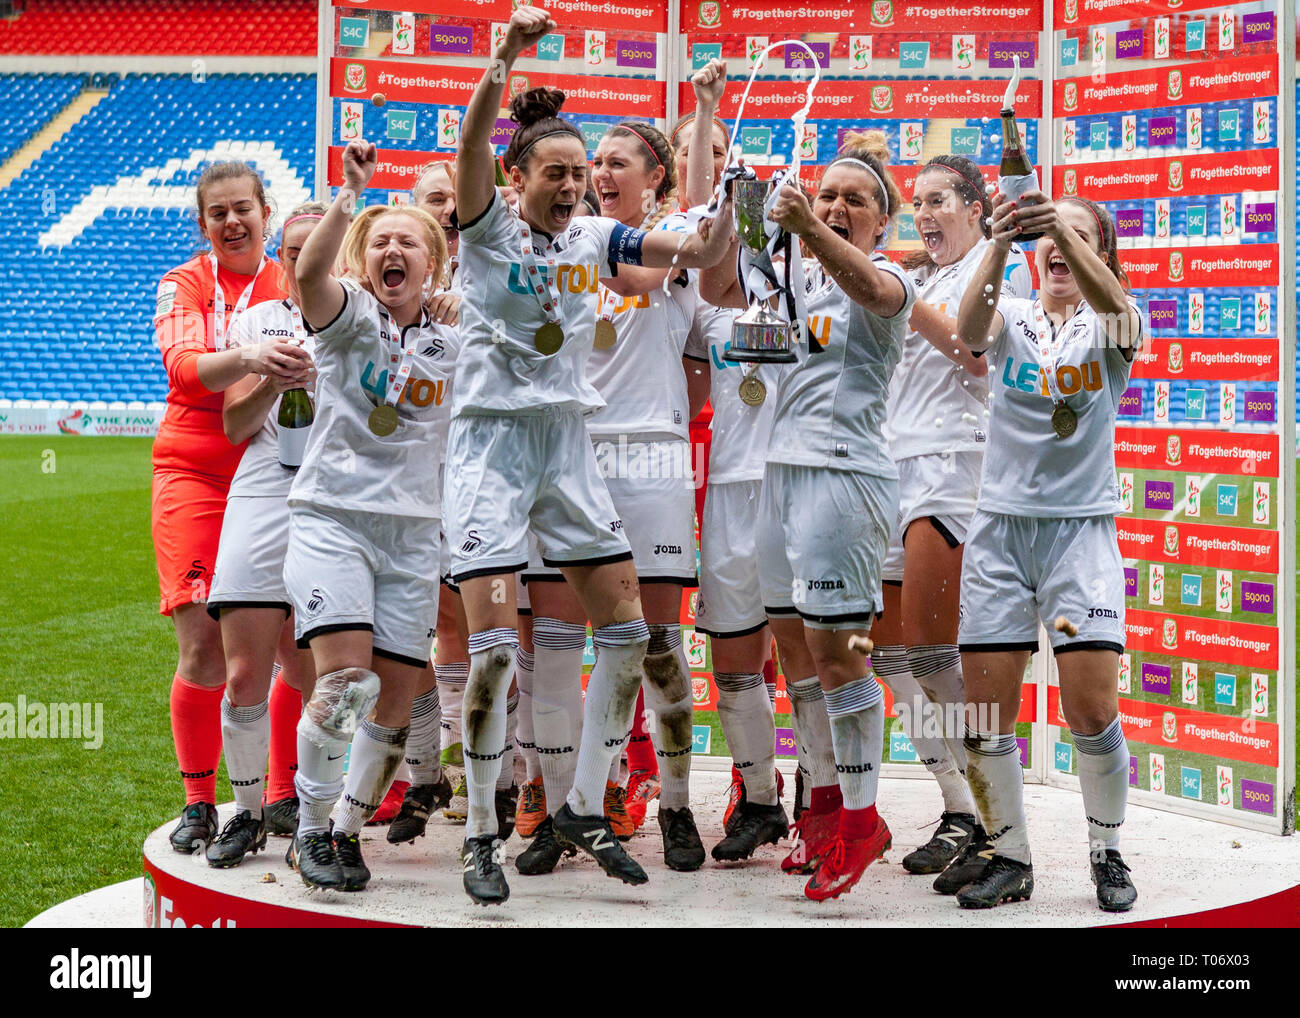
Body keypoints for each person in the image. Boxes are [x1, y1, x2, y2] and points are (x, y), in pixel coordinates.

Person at [448, 5, 735, 906]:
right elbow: (468, 147)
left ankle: (581, 803)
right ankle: (481, 835)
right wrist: (502, 60)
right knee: (498, 653)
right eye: (559, 171)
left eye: (583, 172)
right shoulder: (485, 228)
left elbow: (691, 247)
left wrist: (727, 208)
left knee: (628, 636)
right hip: (492, 451)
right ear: (517, 174)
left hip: (569, 448)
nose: (574, 185)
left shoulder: (594, 240)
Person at [701, 130, 916, 901]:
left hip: (844, 478)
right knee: (796, 657)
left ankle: (863, 823)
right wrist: (744, 206)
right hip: (779, 478)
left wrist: (809, 228)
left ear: (881, 223)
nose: (836, 206)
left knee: (840, 658)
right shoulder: (794, 281)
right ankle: (823, 808)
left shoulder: (886, 276)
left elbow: (870, 290)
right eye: (828, 194)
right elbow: (725, 286)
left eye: (854, 200)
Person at [514, 116, 705, 877]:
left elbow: (687, 249)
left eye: (619, 162)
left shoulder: (678, 246)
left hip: (652, 457)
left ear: (655, 178)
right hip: (570, 451)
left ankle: (676, 802)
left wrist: (706, 108)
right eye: (594, 162)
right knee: (555, 648)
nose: (600, 173)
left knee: (657, 646)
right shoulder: (557, 244)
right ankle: (567, 806)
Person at [953, 190, 1141, 911]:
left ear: (1099, 250)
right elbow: (970, 328)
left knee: (1091, 710)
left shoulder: (1116, 321)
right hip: (1001, 531)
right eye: (1048, 235)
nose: (1057, 245)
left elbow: (1116, 303)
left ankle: (1108, 852)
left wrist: (1063, 224)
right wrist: (999, 242)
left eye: (1076, 233)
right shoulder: (1014, 317)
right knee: (986, 713)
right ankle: (1011, 856)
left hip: (1080, 533)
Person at [282, 142, 457, 892]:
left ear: (433, 264)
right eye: (380, 241)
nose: (393, 249)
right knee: (345, 681)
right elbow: (307, 274)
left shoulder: (457, 336)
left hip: (414, 532)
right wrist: (352, 196)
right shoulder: (349, 314)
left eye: (408, 241)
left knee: (391, 695)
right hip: (334, 518)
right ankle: (309, 830)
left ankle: (347, 829)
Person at [871, 156, 1031, 880]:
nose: (924, 214)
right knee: (890, 657)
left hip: (956, 466)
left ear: (976, 207)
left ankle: (999, 820)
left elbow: (972, 352)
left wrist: (897, 294)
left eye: (938, 200)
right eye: (917, 204)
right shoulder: (921, 277)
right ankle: (960, 805)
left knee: (938, 656)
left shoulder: (1005, 268)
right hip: (893, 469)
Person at [152, 162, 311, 852]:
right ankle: (198, 801)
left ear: (265, 211)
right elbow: (185, 372)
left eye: (242, 208)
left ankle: (281, 793)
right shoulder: (184, 284)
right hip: (193, 469)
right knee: (204, 648)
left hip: (274, 470)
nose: (231, 222)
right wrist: (251, 354)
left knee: (289, 642)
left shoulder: (293, 282)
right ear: (203, 224)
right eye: (217, 213)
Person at [677, 59, 789, 862]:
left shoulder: (786, 266)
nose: (720, 194)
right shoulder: (687, 288)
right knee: (732, 654)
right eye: (701, 166)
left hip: (799, 484)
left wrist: (761, 209)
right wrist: (708, 109)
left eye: (727, 168)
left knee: (814, 654)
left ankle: (828, 804)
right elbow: (694, 219)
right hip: (727, 493)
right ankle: (760, 799)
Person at [202, 201, 329, 866]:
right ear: (282, 261)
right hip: (264, 490)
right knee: (246, 671)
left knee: (321, 673)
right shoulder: (258, 322)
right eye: (296, 251)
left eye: (321, 248)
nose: (307, 261)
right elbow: (234, 424)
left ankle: (317, 821)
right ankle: (246, 815)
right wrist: (272, 385)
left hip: (338, 497)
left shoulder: (361, 319)